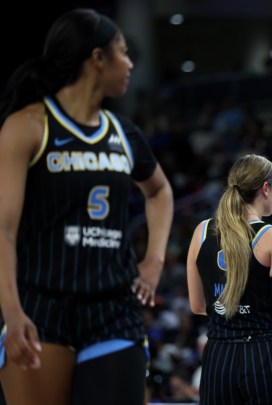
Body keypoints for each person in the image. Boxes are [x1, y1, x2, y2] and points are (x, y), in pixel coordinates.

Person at [0, 8, 174, 405]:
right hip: (41, 305)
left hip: (113, 308)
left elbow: (160, 192)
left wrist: (155, 260)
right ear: (97, 58)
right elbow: (3, 229)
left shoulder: (123, 133)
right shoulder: (28, 125)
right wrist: (11, 312)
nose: (130, 64)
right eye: (123, 53)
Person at [186, 154, 272, 405]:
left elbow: (197, 306)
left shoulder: (202, 232)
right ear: (266, 188)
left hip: (218, 356)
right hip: (266, 354)